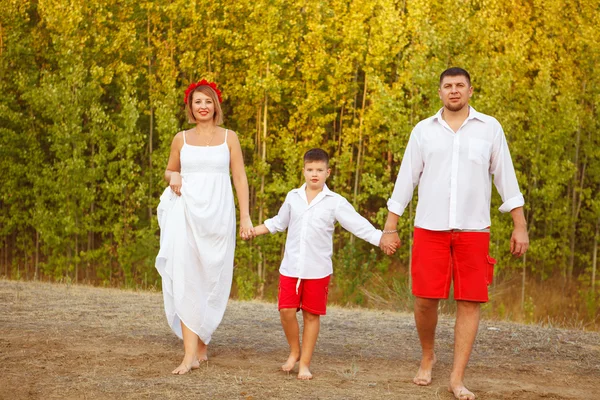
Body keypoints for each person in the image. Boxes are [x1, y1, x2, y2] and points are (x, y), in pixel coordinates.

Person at [379, 68, 529, 400]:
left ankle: (456, 378)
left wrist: (520, 225)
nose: (454, 91)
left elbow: (506, 178)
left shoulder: (490, 129)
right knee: (423, 300)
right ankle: (428, 355)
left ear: (471, 91)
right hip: (429, 229)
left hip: (474, 230)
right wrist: (390, 227)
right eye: (448, 86)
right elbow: (406, 181)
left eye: (460, 85)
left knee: (470, 301)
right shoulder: (423, 131)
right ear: (440, 93)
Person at [246, 148, 392, 380]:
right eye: (310, 169)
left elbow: (357, 225)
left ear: (327, 172)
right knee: (286, 311)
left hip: (318, 270)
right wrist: (254, 231)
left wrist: (380, 237)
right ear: (303, 171)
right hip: (291, 267)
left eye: (319, 170)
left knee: (312, 316)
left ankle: (304, 363)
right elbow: (278, 222)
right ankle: (294, 351)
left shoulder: (335, 202)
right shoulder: (293, 197)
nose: (314, 174)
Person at [155, 79, 253, 375]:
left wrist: (246, 216)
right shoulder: (181, 138)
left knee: (213, 277)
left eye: (208, 101)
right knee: (186, 277)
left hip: (219, 216)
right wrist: (172, 176)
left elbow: (240, 178)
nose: (203, 107)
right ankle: (189, 356)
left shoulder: (229, 138)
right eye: (197, 101)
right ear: (190, 107)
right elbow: (170, 169)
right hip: (186, 214)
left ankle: (202, 339)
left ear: (216, 106)